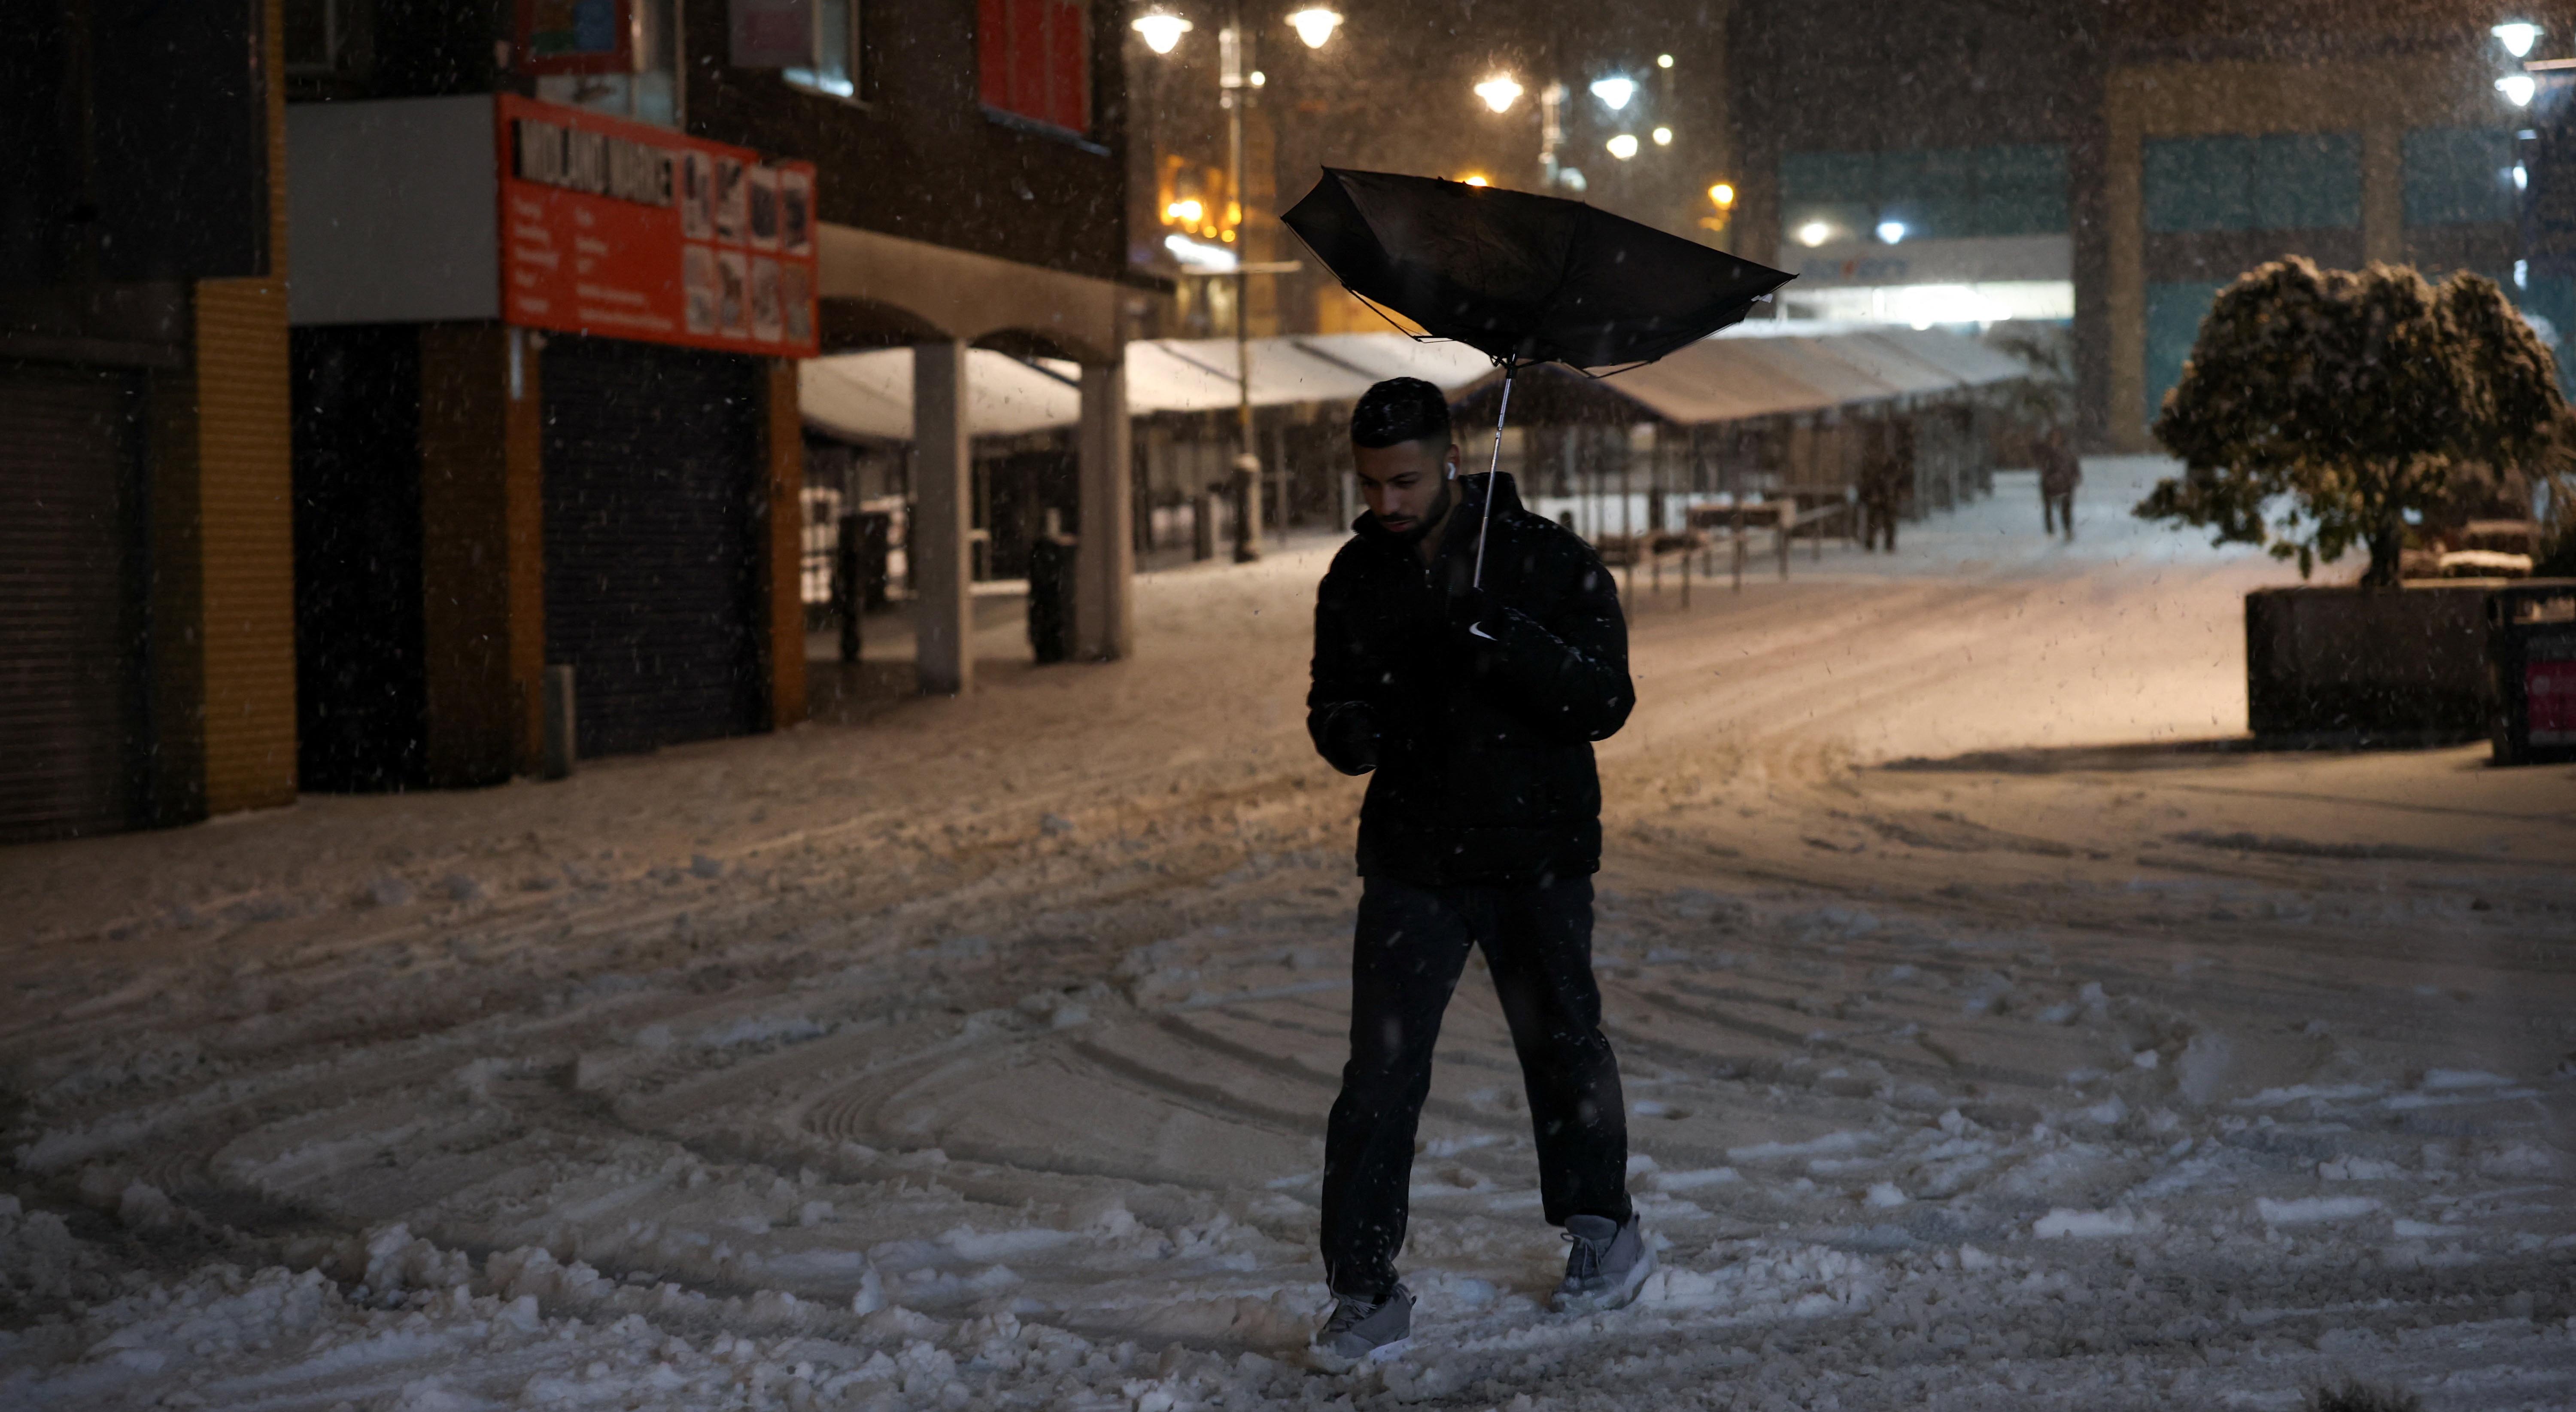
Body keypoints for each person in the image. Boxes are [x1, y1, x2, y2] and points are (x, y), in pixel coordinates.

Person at [1303, 378, 1649, 1371]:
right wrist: (1349, 730)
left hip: (1534, 851)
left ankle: (1602, 1227)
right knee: (1378, 1075)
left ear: (1451, 460)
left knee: (1562, 1044)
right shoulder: (1357, 574)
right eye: (1370, 485)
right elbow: (1331, 697)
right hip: (1414, 859)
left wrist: (1506, 634)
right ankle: (1364, 1289)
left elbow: (1605, 699)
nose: (1386, 504)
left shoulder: (1545, 558)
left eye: (1404, 481)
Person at [1857, 422, 1904, 553]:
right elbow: (1866, 479)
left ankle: (1887, 543)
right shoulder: (1873, 464)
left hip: (1885, 496)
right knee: (1876, 521)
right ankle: (1872, 543)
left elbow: (1896, 479)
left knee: (1887, 521)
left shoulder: (1889, 464)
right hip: (1877, 495)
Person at [2036, 426, 2081, 541]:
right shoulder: (2046, 451)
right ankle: (2050, 531)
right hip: (2050, 484)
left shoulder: (2067, 450)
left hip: (2065, 483)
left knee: (2066, 508)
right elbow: (2043, 466)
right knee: (2048, 508)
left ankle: (2067, 529)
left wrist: (2076, 475)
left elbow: (2073, 463)